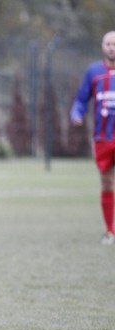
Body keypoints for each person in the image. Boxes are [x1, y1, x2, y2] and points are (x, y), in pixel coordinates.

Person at [70, 31, 115, 245]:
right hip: (103, 138)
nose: (112, 47)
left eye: (114, 44)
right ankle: (109, 230)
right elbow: (81, 99)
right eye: (108, 43)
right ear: (102, 46)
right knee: (106, 182)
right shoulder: (94, 72)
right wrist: (76, 113)